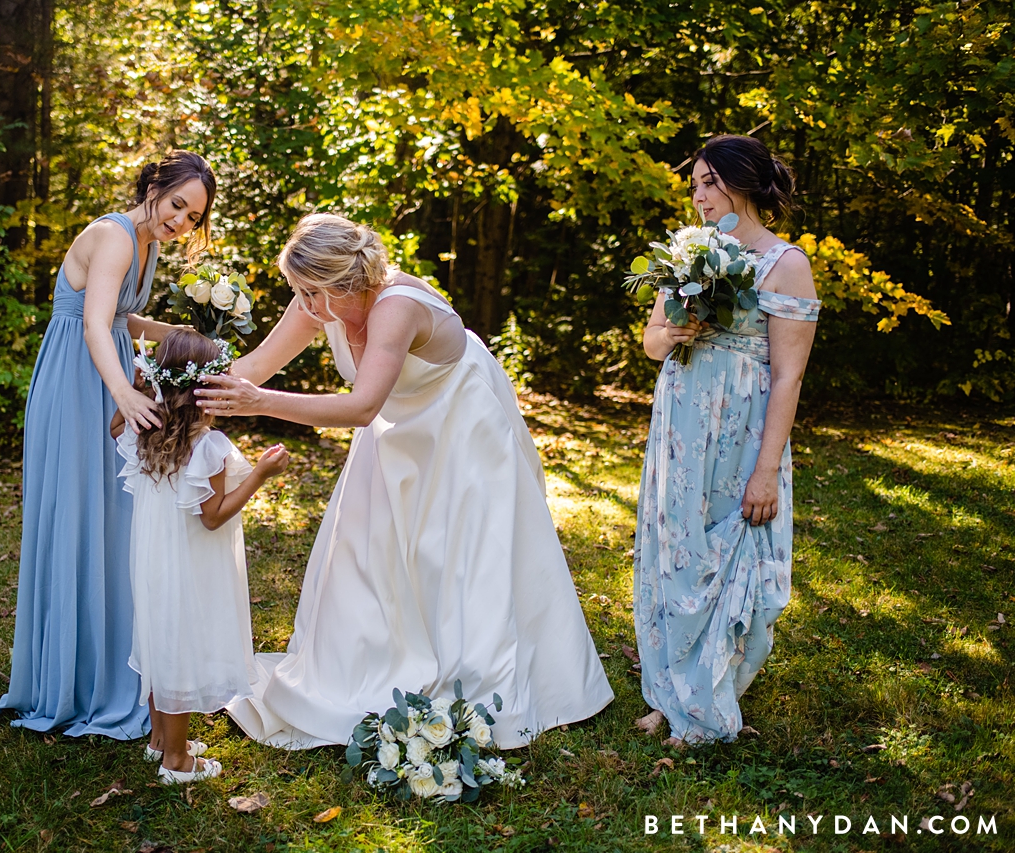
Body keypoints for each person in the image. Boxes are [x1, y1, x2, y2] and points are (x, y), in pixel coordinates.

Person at [196, 213, 614, 749]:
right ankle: (366, 664)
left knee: (462, 557)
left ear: (344, 284)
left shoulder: (396, 307)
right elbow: (255, 366)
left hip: (459, 425)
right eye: (297, 292)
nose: (301, 305)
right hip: (396, 426)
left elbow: (363, 405)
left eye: (308, 293)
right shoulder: (319, 303)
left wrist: (260, 406)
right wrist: (186, 385)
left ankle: (485, 679)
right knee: (364, 549)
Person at [0, 151, 217, 739]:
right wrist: (123, 393)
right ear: (153, 185)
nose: (181, 222)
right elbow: (94, 323)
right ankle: (73, 681)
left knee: (111, 520)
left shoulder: (146, 243)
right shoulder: (114, 235)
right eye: (177, 205)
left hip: (104, 373)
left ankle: (105, 665)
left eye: (193, 217)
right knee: (79, 518)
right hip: (79, 381)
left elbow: (123, 321)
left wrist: (185, 335)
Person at [632, 134, 820, 745]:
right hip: (681, 421)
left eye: (710, 182)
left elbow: (788, 375)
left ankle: (707, 691)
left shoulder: (784, 263)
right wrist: (676, 334)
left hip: (741, 427)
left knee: (723, 546)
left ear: (743, 182)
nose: (699, 196)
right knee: (675, 547)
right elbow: (651, 341)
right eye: (694, 185)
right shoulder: (689, 253)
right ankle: (669, 690)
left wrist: (766, 471)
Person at [111, 329, 289, 782]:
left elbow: (114, 426)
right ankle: (177, 761)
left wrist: (135, 388)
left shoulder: (145, 426)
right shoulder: (208, 446)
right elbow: (213, 517)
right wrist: (261, 474)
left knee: (156, 638)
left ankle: (159, 740)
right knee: (180, 649)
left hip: (152, 560)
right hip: (189, 564)